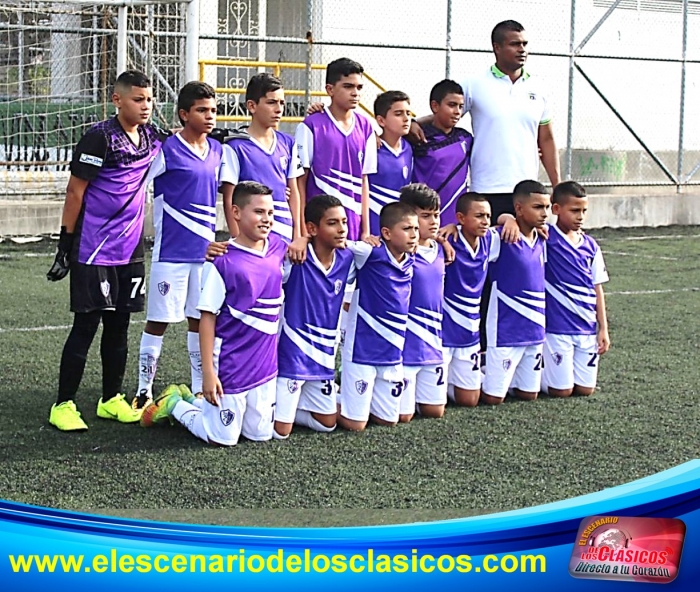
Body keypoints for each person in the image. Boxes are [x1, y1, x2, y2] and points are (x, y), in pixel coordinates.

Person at [47, 70, 168, 431]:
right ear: (117, 100)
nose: (145, 106)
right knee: (86, 325)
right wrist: (65, 244)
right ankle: (63, 404)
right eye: (138, 99)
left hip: (130, 250)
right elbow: (75, 192)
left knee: (119, 326)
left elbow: (191, 140)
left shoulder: (150, 137)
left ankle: (110, 399)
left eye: (149, 99)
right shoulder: (98, 138)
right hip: (93, 248)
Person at [141, 182, 285, 446]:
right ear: (236, 212)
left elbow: (308, 242)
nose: (266, 219)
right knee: (222, 439)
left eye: (271, 213)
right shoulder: (222, 260)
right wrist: (208, 373)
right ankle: (175, 403)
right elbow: (207, 318)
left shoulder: (278, 247)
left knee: (260, 436)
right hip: (231, 365)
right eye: (259, 212)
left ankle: (197, 404)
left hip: (265, 367)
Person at [411, 20, 560, 222]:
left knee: (522, 252)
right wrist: (414, 122)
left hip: (526, 191)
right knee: (487, 252)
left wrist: (557, 185)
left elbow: (547, 140)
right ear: (496, 48)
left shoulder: (540, 88)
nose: (522, 49)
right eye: (515, 44)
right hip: (485, 189)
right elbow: (445, 112)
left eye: (524, 44)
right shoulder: (474, 84)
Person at [133, 81, 221, 410]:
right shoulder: (165, 149)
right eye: (202, 110)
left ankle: (200, 388)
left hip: (205, 256)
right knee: (158, 320)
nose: (210, 116)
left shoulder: (218, 151)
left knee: (200, 320)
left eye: (213, 110)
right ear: (184, 114)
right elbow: (136, 185)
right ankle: (143, 389)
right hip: (170, 255)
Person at [274, 195, 355, 438]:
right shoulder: (295, 257)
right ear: (312, 228)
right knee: (281, 432)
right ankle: (179, 405)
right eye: (332, 223)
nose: (341, 229)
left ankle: (282, 407)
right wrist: (301, 239)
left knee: (327, 423)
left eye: (344, 222)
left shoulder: (348, 258)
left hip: (323, 360)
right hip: (292, 357)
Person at [339, 202, 418, 431]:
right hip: (362, 350)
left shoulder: (412, 256)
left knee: (389, 420)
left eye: (415, 229)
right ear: (386, 233)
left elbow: (436, 236)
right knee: (356, 425)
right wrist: (303, 239)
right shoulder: (370, 252)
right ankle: (325, 402)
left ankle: (352, 399)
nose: (413, 235)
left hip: (392, 353)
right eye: (406, 229)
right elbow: (336, 242)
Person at [221, 73, 306, 261]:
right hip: (252, 239)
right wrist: (237, 240)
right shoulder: (235, 147)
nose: (279, 109)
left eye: (282, 103)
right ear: (252, 106)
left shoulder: (288, 143)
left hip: (285, 238)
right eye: (271, 103)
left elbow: (294, 191)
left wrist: (298, 236)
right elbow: (229, 197)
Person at [481, 180, 550, 405]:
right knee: (493, 398)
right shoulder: (499, 237)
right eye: (538, 207)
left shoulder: (542, 238)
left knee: (529, 395)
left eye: (547, 208)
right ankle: (470, 376)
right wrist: (504, 218)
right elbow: (473, 233)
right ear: (519, 208)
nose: (544, 214)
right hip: (505, 331)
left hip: (534, 331)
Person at [295, 57, 377, 241]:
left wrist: (365, 231)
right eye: (348, 87)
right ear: (330, 89)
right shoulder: (311, 126)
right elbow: (300, 182)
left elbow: (364, 180)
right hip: (319, 230)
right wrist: (302, 231)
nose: (355, 93)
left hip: (353, 229)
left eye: (359, 87)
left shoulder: (366, 127)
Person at [542, 181, 610, 397]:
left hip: (586, 329)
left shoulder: (591, 245)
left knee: (585, 390)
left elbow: (597, 287)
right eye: (574, 211)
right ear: (556, 209)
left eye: (583, 211)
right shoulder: (546, 238)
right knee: (561, 391)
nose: (580, 216)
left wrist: (603, 329)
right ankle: (524, 379)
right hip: (557, 329)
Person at [441, 192, 497, 407]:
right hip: (443, 334)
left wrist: (507, 218)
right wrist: (440, 236)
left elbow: (511, 226)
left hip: (470, 335)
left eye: (488, 216)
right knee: (433, 407)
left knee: (470, 401)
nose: (485, 221)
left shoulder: (490, 240)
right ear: (461, 218)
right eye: (479, 216)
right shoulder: (447, 241)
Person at [397, 184, 447, 423]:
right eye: (425, 216)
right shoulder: (397, 251)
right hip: (406, 348)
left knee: (434, 412)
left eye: (436, 215)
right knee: (403, 416)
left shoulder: (441, 248)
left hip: (434, 344)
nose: (433, 221)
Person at [411, 80, 473, 227]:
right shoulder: (416, 138)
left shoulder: (465, 138)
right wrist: (414, 122)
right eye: (451, 105)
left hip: (455, 223)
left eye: (461, 106)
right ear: (435, 106)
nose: (458, 111)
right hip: (422, 218)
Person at [367, 90, 413, 235]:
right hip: (374, 228)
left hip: (400, 229)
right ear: (381, 121)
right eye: (398, 114)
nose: (406, 119)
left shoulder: (408, 147)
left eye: (408, 113)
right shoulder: (371, 148)